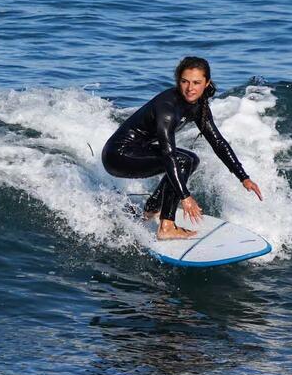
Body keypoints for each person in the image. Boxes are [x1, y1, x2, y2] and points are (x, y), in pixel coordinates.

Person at [102, 57, 263, 240]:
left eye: (196, 83)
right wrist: (185, 197)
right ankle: (166, 226)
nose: (190, 88)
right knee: (182, 160)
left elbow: (217, 141)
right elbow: (168, 154)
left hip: (138, 150)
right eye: (185, 82)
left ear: (206, 83)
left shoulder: (198, 104)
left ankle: (152, 208)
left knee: (192, 159)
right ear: (178, 80)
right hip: (118, 156)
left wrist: (243, 177)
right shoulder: (168, 108)